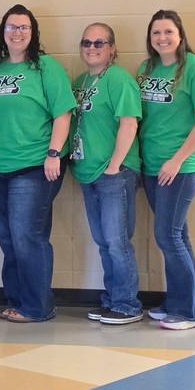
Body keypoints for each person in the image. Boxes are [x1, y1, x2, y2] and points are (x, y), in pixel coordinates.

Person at [0, 5, 75, 323]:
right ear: (2, 32)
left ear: (33, 34)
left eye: (23, 27)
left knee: (27, 236)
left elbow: (63, 112)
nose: (17, 32)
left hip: (34, 165)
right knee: (7, 237)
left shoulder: (46, 67)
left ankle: (38, 306)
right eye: (11, 26)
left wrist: (54, 154)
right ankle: (17, 300)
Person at [137, 10, 195, 330]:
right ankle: (179, 301)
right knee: (177, 235)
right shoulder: (146, 68)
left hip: (181, 167)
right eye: (156, 33)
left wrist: (177, 159)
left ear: (180, 35)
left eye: (168, 32)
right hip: (153, 166)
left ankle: (190, 312)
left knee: (167, 236)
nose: (162, 38)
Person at [69, 23, 143, 325]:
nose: (92, 48)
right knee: (104, 242)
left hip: (115, 172)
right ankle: (112, 299)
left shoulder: (119, 79)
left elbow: (129, 124)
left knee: (117, 241)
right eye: (86, 42)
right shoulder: (81, 80)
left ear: (112, 47)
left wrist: (114, 166)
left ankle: (127, 304)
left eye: (100, 43)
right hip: (89, 173)